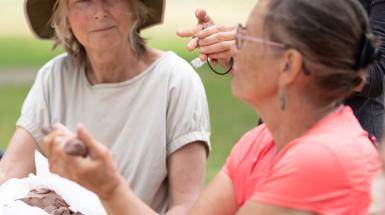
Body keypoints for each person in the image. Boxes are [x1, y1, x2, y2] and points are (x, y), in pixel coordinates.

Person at [43, 0, 381, 214]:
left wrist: (110, 188)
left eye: (246, 37)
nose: (233, 46)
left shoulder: (319, 158)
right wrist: (110, 187)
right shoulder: (260, 142)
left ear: (289, 66)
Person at [0, 0, 210, 214]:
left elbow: (187, 205)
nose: (100, 12)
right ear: (64, 17)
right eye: (83, 1)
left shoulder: (175, 80)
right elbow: (8, 174)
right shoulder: (54, 77)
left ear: (134, 6)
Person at [178, 0, 385, 142]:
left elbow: (377, 74)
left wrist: (259, 47)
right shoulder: (255, 145)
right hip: (277, 130)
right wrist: (238, 54)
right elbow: (282, 40)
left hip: (343, 136)